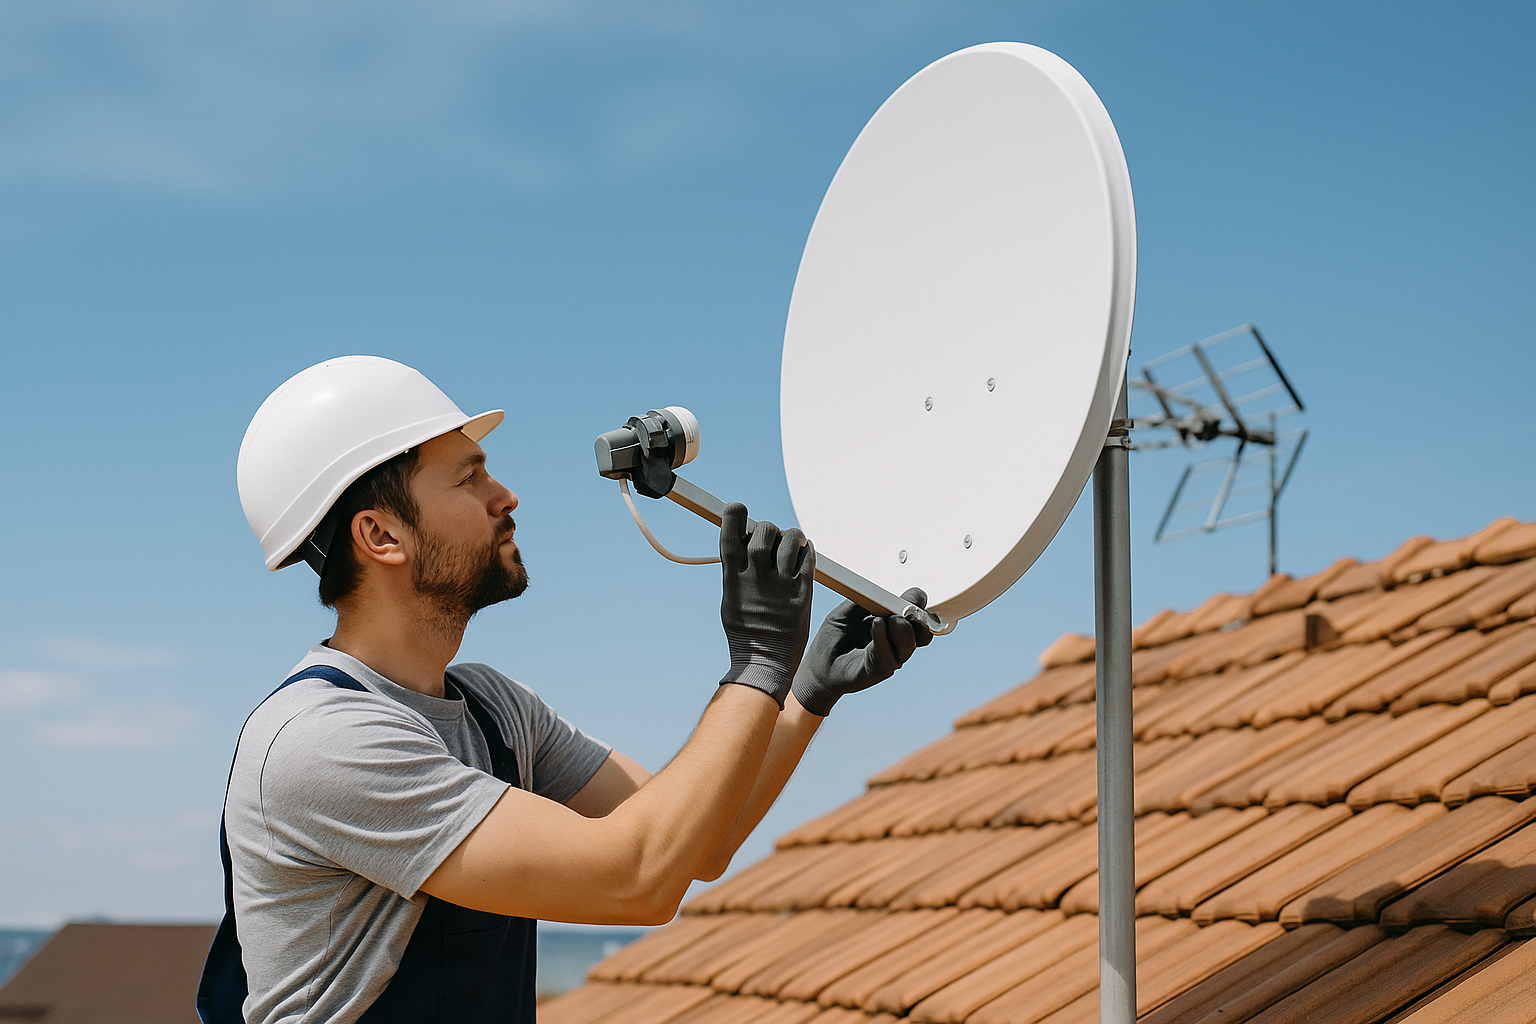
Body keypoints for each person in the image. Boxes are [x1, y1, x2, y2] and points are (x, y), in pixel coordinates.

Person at [197, 355, 932, 1024]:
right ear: (381, 535)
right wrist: (757, 664)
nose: (505, 496)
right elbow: (636, 878)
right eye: (469, 477)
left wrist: (802, 694)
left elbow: (695, 844)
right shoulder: (324, 742)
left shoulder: (493, 710)